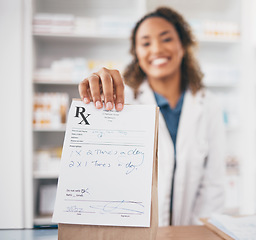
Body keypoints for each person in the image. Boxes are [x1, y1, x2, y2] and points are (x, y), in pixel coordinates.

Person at [78, 7, 226, 226]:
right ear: (137, 54)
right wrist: (95, 96)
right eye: (146, 43)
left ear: (183, 46)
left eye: (166, 39)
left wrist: (194, 234)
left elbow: (213, 185)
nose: (156, 49)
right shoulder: (123, 101)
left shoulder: (208, 104)